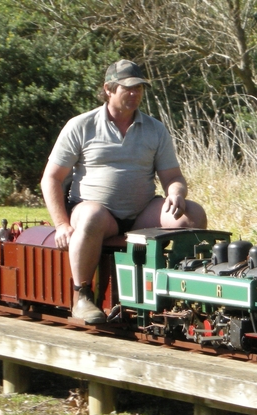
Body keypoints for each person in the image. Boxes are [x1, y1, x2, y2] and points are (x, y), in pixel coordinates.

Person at [41, 59, 207, 324]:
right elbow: (51, 178)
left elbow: (173, 177)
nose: (135, 93)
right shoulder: (81, 125)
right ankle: (81, 296)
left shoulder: (155, 129)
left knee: (192, 214)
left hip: (141, 213)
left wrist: (176, 192)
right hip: (95, 213)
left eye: (139, 88)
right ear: (109, 89)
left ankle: (183, 292)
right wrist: (61, 224)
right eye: (128, 88)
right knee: (92, 216)